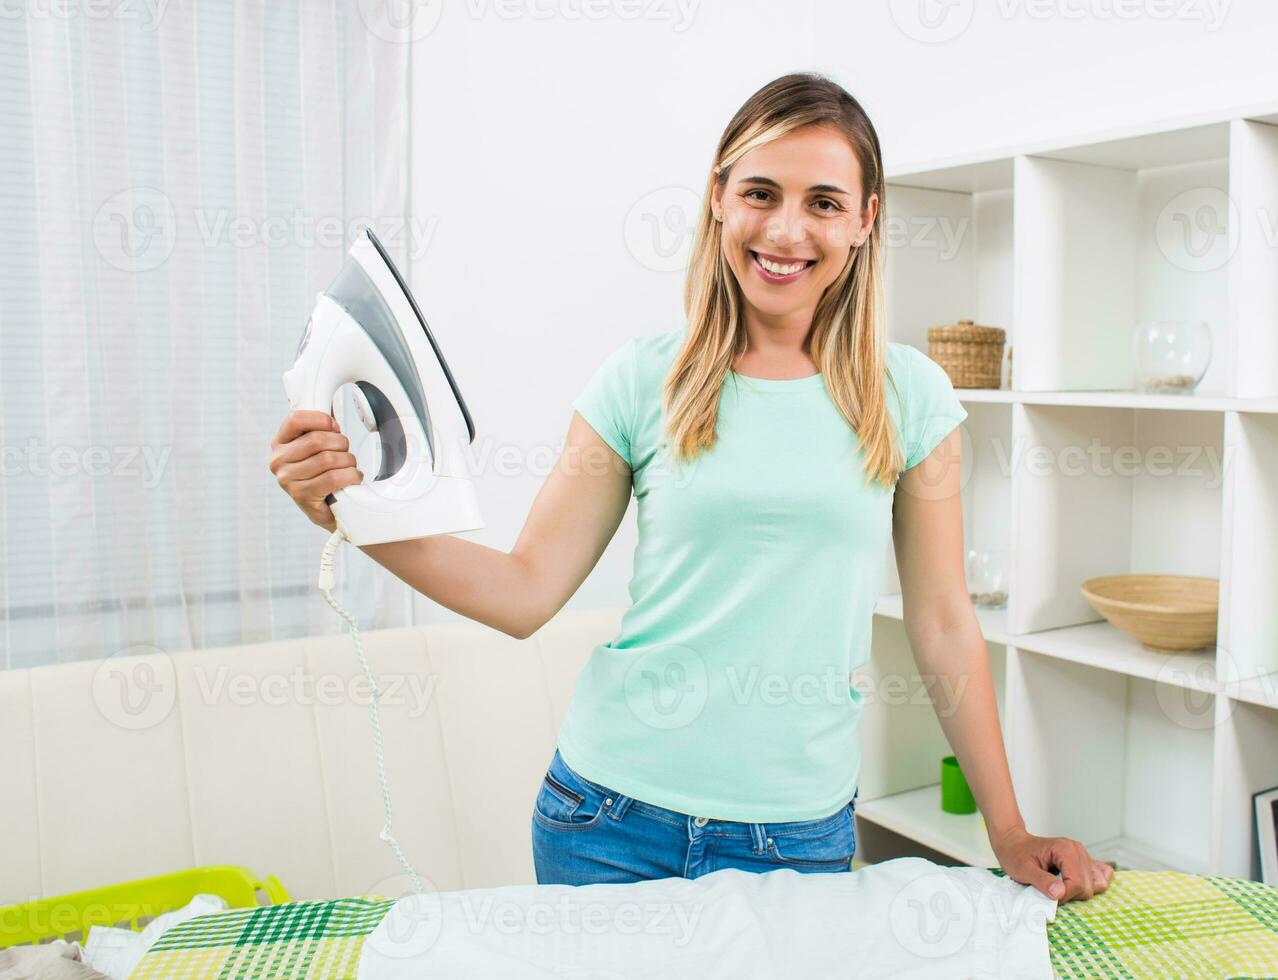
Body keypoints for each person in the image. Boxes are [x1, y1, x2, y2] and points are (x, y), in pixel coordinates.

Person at [270, 70, 1112, 903]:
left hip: (797, 833)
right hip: (607, 818)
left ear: (865, 219)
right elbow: (524, 592)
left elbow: (942, 623)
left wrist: (1008, 831)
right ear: (718, 198)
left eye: (822, 201)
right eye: (760, 193)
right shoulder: (641, 381)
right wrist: (352, 513)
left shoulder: (912, 397)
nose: (785, 231)